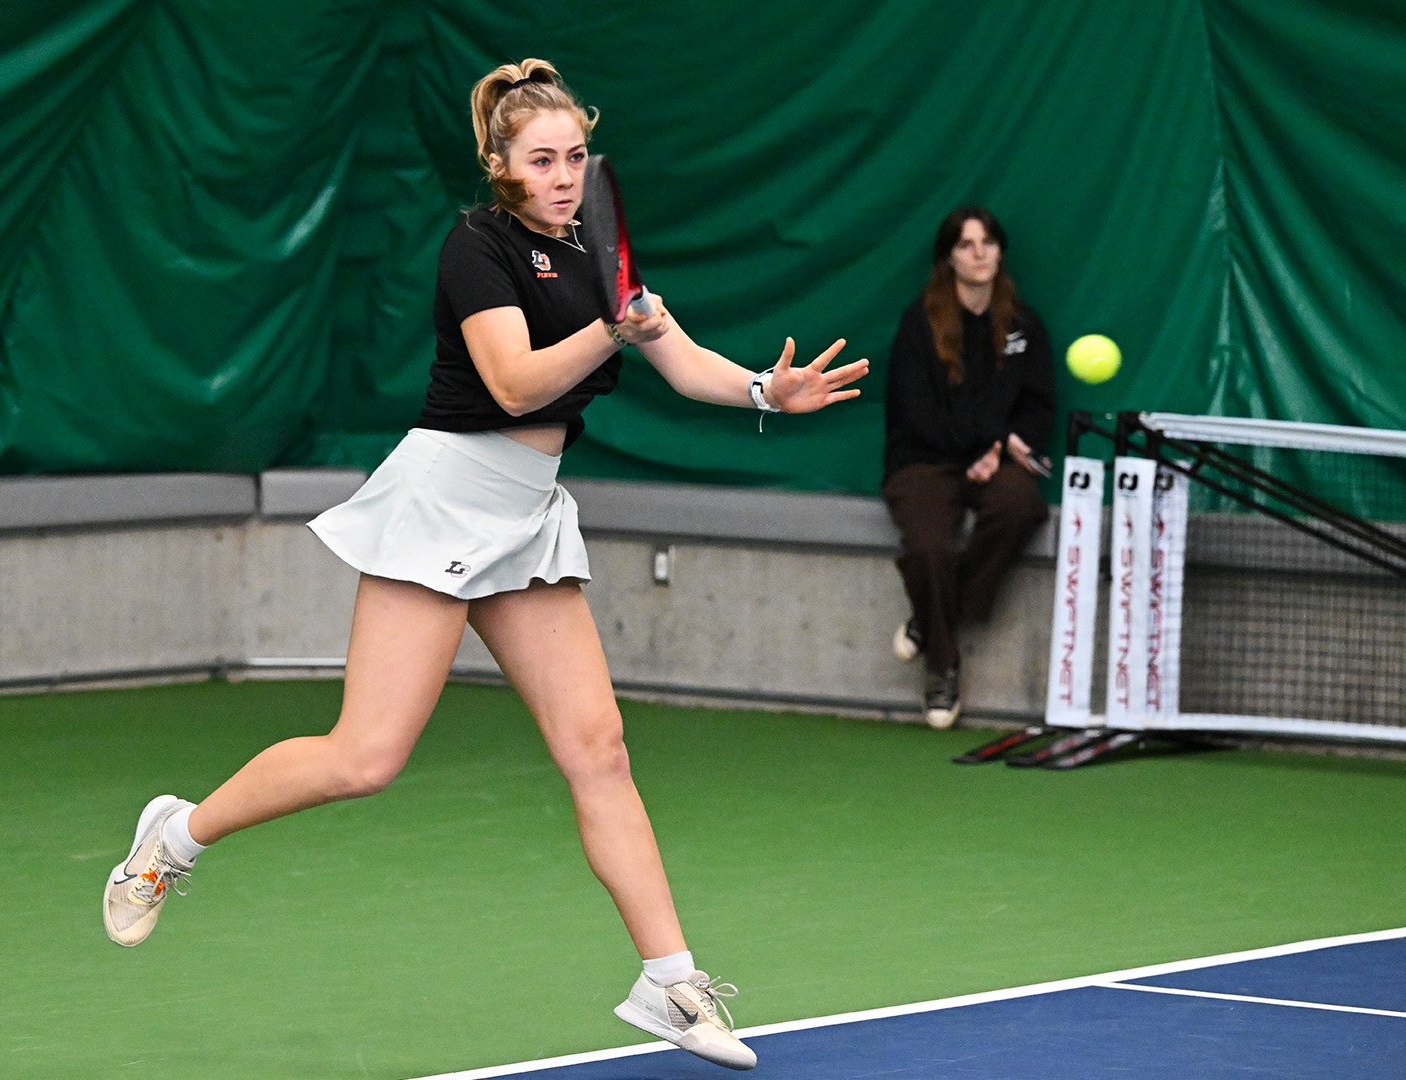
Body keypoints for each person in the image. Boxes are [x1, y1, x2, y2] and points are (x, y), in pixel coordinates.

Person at [101, 58, 868, 1072]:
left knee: (599, 747)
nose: (562, 175)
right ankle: (175, 837)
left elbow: (680, 360)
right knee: (364, 758)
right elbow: (511, 385)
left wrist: (769, 392)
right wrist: (609, 329)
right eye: (541, 159)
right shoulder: (478, 246)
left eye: (576, 156)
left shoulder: (599, 252)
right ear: (501, 166)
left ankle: (670, 981)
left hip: (528, 517)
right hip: (443, 502)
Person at [882, 207, 1054, 729]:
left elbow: (1037, 405)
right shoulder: (919, 323)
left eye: (987, 243)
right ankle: (943, 661)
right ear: (948, 258)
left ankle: (932, 620)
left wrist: (1001, 448)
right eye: (965, 244)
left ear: (1000, 251)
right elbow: (919, 414)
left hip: (994, 460)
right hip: (924, 460)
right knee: (929, 547)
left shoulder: (1023, 324)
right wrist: (991, 441)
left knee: (1022, 504)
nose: (979, 253)